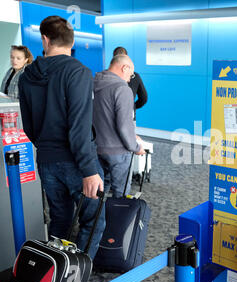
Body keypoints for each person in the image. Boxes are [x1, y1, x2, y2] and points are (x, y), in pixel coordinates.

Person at [18, 15, 105, 259]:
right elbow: (79, 127)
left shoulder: (26, 77)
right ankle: (77, 277)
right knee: (94, 218)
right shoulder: (78, 72)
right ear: (72, 40)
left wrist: (46, 147)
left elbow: (29, 127)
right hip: (76, 162)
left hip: (46, 159)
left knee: (60, 218)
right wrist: (89, 171)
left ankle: (56, 274)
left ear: (45, 40)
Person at [93, 54, 145, 198]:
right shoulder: (122, 89)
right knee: (120, 195)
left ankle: (101, 220)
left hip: (96, 148)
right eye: (131, 73)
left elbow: (103, 117)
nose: (130, 78)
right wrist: (136, 147)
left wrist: (131, 135)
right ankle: (116, 220)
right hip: (118, 152)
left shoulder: (93, 83)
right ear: (124, 67)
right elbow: (123, 125)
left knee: (100, 192)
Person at [112, 47, 148, 121]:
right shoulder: (135, 76)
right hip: (129, 117)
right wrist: (133, 106)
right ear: (127, 58)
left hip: (110, 118)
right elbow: (144, 98)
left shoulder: (106, 76)